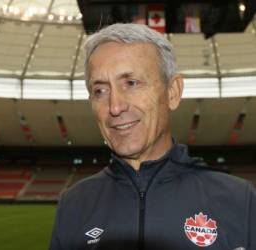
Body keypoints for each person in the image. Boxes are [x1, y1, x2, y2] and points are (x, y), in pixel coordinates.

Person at [49, 23, 256, 250]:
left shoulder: (240, 199)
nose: (115, 106)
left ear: (172, 92)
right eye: (100, 90)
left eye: (131, 83)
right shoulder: (74, 204)